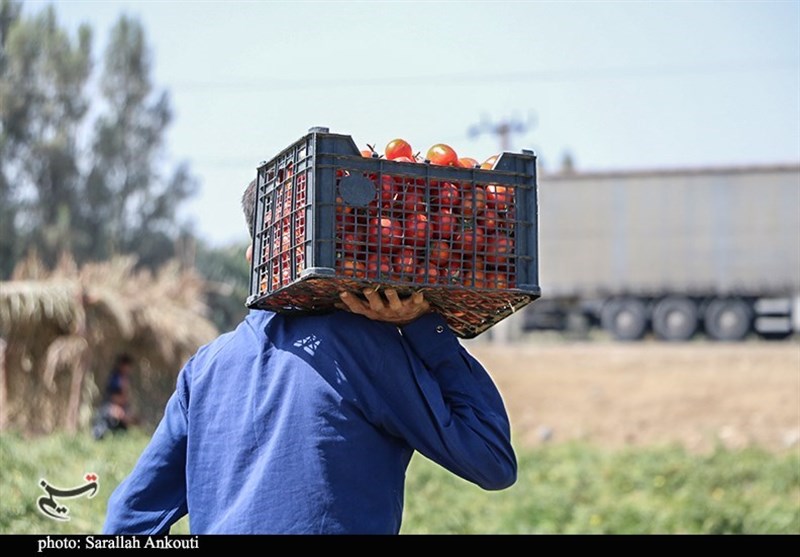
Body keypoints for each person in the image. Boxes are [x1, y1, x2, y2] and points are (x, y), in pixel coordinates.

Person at [103, 180, 516, 534]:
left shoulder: (206, 367)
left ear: (256, 258)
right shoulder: (363, 349)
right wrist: (425, 326)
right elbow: (490, 457)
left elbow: (129, 518)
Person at [92, 354, 135, 440]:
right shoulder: (115, 378)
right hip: (110, 406)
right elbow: (112, 396)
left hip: (120, 406)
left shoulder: (125, 378)